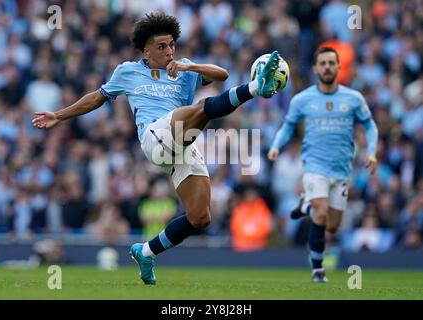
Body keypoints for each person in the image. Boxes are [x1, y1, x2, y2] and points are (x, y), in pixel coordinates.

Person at [32, 13, 282, 285]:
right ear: (147, 50)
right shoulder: (128, 71)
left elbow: (222, 74)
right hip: (154, 136)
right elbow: (97, 98)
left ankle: (147, 251)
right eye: (162, 46)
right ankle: (257, 86)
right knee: (200, 108)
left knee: (200, 217)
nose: (169, 51)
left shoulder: (183, 69)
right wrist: (59, 115)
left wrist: (189, 68)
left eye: (172, 44)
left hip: (182, 145)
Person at [268, 47, 378, 283]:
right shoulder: (303, 99)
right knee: (322, 211)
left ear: (339, 67)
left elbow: (370, 126)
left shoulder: (353, 99)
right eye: (323, 63)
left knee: (332, 225)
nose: (327, 67)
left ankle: (306, 207)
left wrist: (371, 152)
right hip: (314, 166)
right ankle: (318, 270)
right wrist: (276, 145)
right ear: (316, 68)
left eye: (331, 63)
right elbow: (288, 125)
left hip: (342, 170)